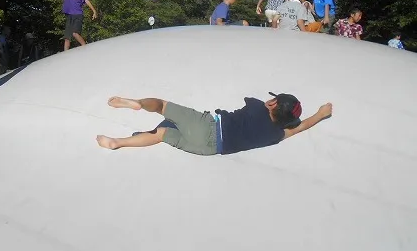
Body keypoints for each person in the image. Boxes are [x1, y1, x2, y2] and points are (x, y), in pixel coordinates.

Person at [96, 93, 332, 156]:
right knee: (161, 134)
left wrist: (320, 111)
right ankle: (118, 142)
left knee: (160, 106)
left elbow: (249, 99)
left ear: (272, 103)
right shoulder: (276, 135)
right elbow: (300, 127)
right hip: (209, 150)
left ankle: (137, 104)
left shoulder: (257, 105)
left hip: (208, 126)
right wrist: (320, 115)